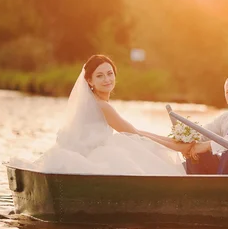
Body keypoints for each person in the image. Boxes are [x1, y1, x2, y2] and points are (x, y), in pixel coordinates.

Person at [10, 54, 192, 175]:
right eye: (100, 76)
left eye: (109, 74)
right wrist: (176, 147)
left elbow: (134, 131)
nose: (107, 79)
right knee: (135, 149)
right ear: (89, 81)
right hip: (93, 154)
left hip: (92, 150)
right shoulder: (102, 106)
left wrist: (174, 144)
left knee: (130, 145)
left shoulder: (97, 103)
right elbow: (134, 133)